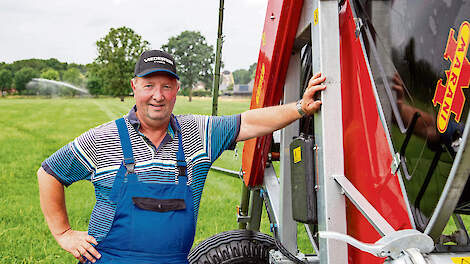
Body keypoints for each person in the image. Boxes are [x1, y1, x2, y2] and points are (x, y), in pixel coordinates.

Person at [37, 49, 326, 263]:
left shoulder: (199, 132)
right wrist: (63, 233)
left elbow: (249, 122)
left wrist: (300, 107)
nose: (157, 96)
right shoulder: (102, 138)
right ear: (134, 86)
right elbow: (50, 173)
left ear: (176, 89)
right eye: (149, 85)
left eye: (166, 86)